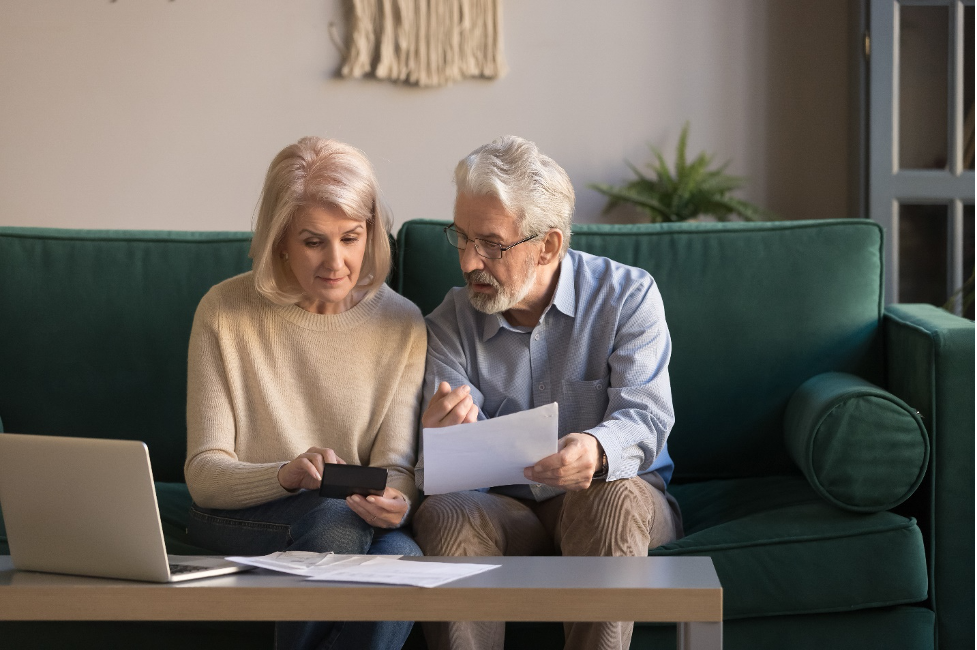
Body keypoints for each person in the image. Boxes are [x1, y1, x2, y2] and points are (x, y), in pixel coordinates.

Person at [412, 136, 683, 650]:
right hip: (505, 512)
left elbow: (646, 419)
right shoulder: (449, 321)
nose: (470, 261)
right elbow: (439, 473)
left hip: (611, 500)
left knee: (612, 496)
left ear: (549, 246)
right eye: (462, 238)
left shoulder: (628, 296)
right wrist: (439, 441)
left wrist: (598, 450)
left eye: (491, 243)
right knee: (447, 513)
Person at [184, 137, 425, 650]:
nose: (337, 261)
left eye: (351, 237)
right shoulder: (223, 312)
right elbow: (204, 475)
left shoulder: (403, 323)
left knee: (400, 556)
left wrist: (397, 503)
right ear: (280, 241)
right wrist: (286, 474)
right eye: (314, 241)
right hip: (239, 512)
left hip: (353, 518)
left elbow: (397, 467)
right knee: (336, 522)